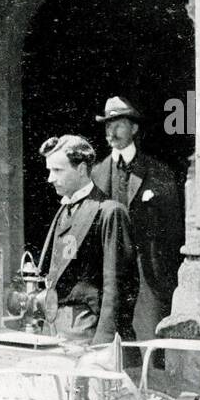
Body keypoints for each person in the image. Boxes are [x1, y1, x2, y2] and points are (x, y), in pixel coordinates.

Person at [90, 96, 185, 337]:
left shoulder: (158, 172)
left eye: (118, 124)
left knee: (150, 344)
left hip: (148, 278)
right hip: (110, 276)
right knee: (110, 344)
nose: (111, 131)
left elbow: (173, 231)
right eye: (107, 125)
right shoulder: (96, 174)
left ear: (134, 128)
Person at [37, 133, 137, 345]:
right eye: (49, 170)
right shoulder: (64, 210)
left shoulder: (109, 212)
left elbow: (117, 288)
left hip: (86, 330)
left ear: (81, 169)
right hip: (53, 327)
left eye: (57, 170)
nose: (50, 178)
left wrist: (103, 344)